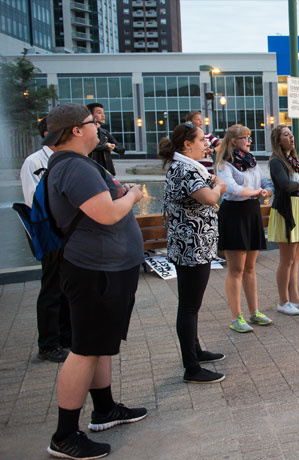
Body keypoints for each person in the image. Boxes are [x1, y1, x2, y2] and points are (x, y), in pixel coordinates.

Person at [43, 103, 147, 459]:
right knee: (85, 350)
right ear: (75, 129)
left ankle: (104, 410)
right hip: (95, 270)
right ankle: (64, 435)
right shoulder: (74, 166)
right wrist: (132, 195)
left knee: (98, 344)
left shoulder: (77, 165)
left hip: (105, 267)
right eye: (92, 123)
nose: (98, 129)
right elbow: (105, 214)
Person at [160, 122, 228, 384]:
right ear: (187, 144)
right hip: (191, 247)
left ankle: (196, 351)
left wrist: (215, 183)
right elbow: (210, 198)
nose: (206, 144)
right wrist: (219, 186)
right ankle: (191, 367)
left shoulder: (187, 167)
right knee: (189, 305)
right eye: (201, 140)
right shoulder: (185, 169)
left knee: (192, 304)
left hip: (194, 244)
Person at [19, 118, 71, 363]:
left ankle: (67, 336)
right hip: (49, 232)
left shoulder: (69, 158)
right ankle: (48, 343)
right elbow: (34, 200)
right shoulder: (34, 162)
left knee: (67, 286)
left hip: (69, 231)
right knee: (51, 287)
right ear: (49, 133)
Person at [214, 124, 274, 333]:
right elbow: (232, 189)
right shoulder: (224, 164)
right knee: (236, 269)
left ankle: (254, 311)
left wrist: (265, 191)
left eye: (250, 137)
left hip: (251, 211)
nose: (249, 141)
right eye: (245, 138)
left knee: (250, 267)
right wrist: (258, 191)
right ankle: (236, 316)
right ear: (233, 141)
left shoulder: (251, 161)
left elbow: (266, 181)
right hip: (234, 214)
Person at [267, 125, 299, 315]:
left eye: (291, 134)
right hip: (287, 209)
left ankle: (295, 298)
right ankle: (283, 301)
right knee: (286, 260)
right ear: (278, 140)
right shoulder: (276, 162)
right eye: (286, 135)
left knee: (295, 259)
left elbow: (298, 182)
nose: (291, 137)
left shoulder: (293, 160)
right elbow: (286, 185)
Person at [87, 102, 124, 176]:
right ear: (90, 115)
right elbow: (88, 147)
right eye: (99, 113)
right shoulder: (85, 132)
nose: (103, 115)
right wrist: (105, 146)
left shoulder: (104, 132)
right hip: (92, 170)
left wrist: (112, 147)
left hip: (107, 171)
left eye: (103, 113)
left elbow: (121, 149)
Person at [185, 110, 220, 174]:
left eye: (201, 119)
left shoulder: (208, 136)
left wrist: (213, 150)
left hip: (209, 169)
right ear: (190, 122)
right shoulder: (187, 138)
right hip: (195, 168)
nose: (201, 121)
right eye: (197, 119)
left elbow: (221, 145)